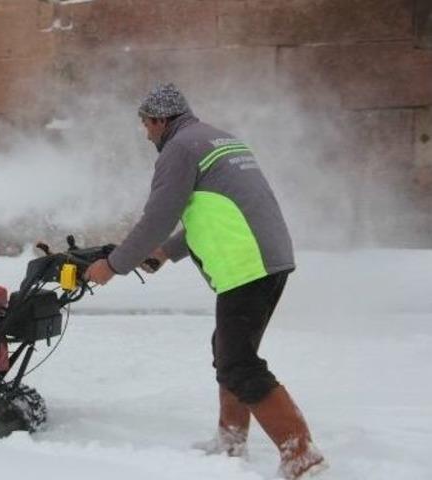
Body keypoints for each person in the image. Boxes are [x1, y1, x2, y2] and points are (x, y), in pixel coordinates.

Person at [84, 84, 327, 479]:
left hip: (245, 264)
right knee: (229, 351)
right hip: (269, 258)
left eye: (146, 125)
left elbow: (157, 218)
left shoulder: (178, 149)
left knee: (238, 363)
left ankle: (301, 454)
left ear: (161, 120)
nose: (146, 134)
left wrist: (113, 266)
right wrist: (165, 252)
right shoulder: (217, 139)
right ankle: (231, 441)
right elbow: (214, 209)